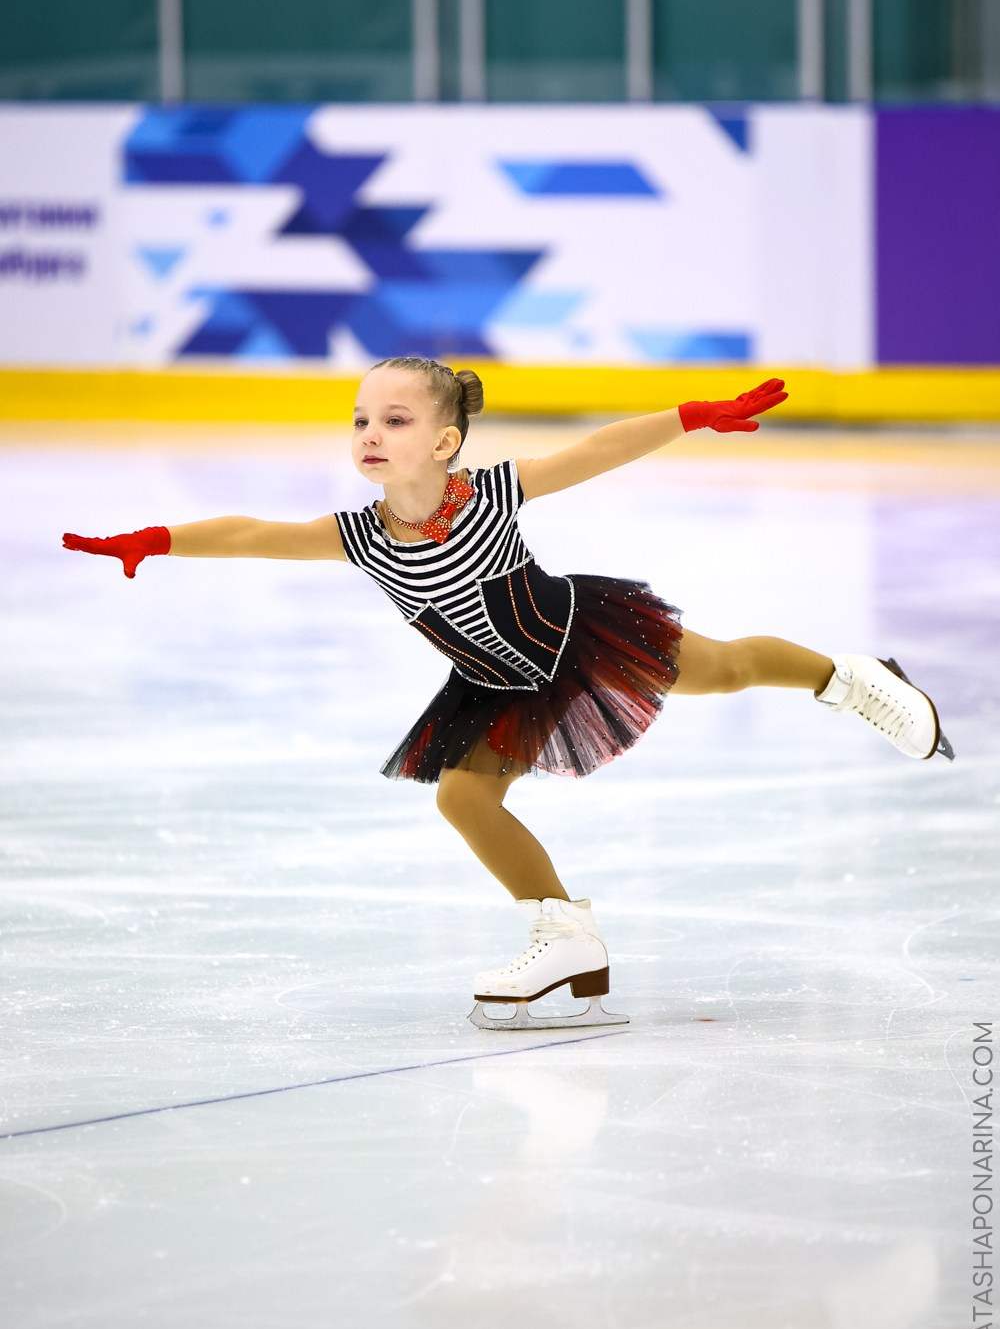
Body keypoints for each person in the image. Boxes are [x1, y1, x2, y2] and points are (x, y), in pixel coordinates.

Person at [62, 355, 954, 1031]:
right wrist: (155, 538)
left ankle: (853, 681)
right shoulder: (361, 535)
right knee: (462, 795)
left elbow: (595, 451)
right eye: (362, 417)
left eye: (396, 419)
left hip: (575, 641)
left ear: (445, 443)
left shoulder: (488, 494)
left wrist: (689, 415)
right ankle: (564, 932)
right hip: (492, 681)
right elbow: (254, 532)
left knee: (721, 669)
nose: (371, 432)